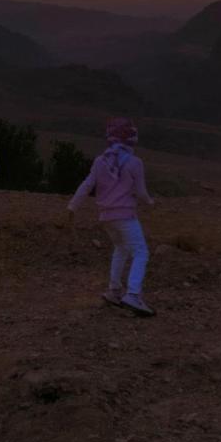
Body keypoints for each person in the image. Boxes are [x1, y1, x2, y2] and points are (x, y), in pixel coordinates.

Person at [68, 117, 156, 317]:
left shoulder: (100, 161)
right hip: (125, 215)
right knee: (141, 252)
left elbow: (87, 185)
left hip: (106, 216)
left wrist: (72, 206)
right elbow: (141, 192)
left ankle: (114, 290)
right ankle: (133, 294)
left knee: (120, 249)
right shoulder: (135, 162)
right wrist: (150, 202)